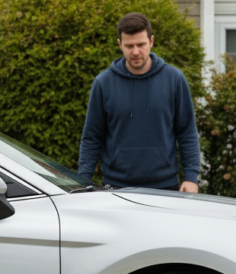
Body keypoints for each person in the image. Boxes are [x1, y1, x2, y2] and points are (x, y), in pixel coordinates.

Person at [78, 12, 201, 192]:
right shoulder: (103, 83)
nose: (135, 52)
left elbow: (187, 132)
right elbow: (92, 137)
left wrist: (191, 177)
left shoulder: (174, 79)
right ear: (120, 45)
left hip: (165, 185)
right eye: (129, 46)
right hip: (117, 186)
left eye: (141, 44)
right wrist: (83, 181)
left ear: (151, 41)